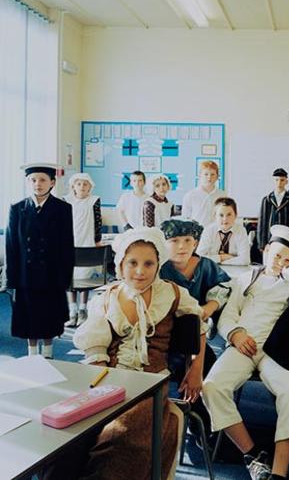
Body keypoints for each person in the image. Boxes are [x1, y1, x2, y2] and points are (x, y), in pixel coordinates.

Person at [67, 227, 208, 480]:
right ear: (121, 264)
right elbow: (96, 346)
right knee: (71, 431)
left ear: (158, 265)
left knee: (123, 434)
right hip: (106, 376)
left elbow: (200, 328)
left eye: (148, 263)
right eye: (132, 262)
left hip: (151, 382)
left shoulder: (172, 293)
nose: (140, 271)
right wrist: (100, 387)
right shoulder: (107, 297)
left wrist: (196, 369)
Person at [202, 225, 289, 480]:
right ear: (266, 250)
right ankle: (253, 454)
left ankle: (278, 473)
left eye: (288, 260)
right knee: (211, 386)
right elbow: (228, 315)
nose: (280, 262)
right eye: (277, 255)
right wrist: (235, 334)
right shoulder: (246, 278)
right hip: (242, 346)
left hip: (273, 353)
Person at [159, 218, 232, 453]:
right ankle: (197, 424)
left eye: (188, 240)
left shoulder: (206, 266)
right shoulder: (159, 269)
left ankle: (217, 425)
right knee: (183, 374)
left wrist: (210, 307)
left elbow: (223, 287)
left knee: (212, 372)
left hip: (197, 337)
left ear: (196, 242)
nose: (181, 246)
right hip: (166, 339)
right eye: (174, 240)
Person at [5, 163, 74, 359]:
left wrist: (66, 278)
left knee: (49, 315)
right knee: (29, 317)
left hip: (52, 274)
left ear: (52, 182)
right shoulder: (17, 208)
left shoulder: (62, 209)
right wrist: (11, 279)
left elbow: (67, 246)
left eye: (43, 179)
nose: (37, 184)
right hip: (25, 275)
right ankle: (32, 354)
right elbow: (11, 246)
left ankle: (49, 353)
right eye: (33, 180)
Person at [64, 173, 103, 327]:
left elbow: (98, 221)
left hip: (87, 242)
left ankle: (83, 309)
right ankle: (72, 311)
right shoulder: (66, 201)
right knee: (70, 278)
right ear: (73, 186)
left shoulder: (94, 201)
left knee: (85, 277)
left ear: (90, 187)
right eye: (79, 184)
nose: (82, 187)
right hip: (69, 243)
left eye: (85, 184)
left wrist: (98, 240)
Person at [197, 197, 251, 265]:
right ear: (215, 216)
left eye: (229, 214)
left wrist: (219, 261)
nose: (225, 219)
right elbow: (199, 257)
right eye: (221, 215)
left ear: (235, 215)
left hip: (236, 270)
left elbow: (245, 260)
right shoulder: (208, 230)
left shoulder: (241, 231)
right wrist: (221, 257)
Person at [257, 168, 289, 252]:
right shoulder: (267, 199)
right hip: (269, 239)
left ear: (286, 181)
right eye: (276, 180)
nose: (279, 183)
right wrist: (262, 244)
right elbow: (262, 222)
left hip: (285, 239)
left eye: (282, 180)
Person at [182, 160, 226, 228]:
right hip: (196, 234)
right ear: (200, 176)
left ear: (217, 177)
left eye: (212, 174)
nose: (209, 177)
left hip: (215, 233)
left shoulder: (222, 195)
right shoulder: (190, 195)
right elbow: (185, 219)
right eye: (206, 174)